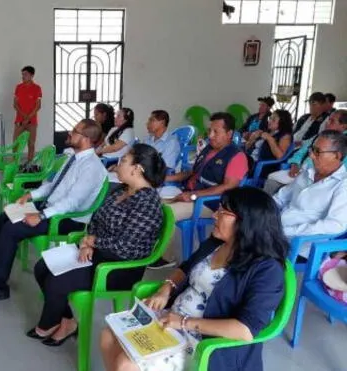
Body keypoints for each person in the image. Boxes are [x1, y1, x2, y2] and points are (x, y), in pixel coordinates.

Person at [101, 187, 289, 371]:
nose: (215, 215)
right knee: (108, 335)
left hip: (203, 341)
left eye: (223, 212)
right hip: (171, 320)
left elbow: (245, 330)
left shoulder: (266, 269)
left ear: (247, 223)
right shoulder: (216, 243)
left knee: (127, 365)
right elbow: (185, 269)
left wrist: (183, 322)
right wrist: (165, 290)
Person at [27, 144, 166, 346]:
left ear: (137, 169)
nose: (118, 165)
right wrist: (87, 243)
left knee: (57, 281)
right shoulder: (121, 189)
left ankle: (49, 324)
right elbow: (96, 219)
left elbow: (125, 247)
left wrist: (94, 242)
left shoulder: (148, 203)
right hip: (98, 253)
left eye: (124, 161)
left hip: (118, 268)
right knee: (42, 267)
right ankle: (67, 322)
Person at [0, 119, 107, 303]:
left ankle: (0, 287)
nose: (70, 133)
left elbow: (72, 203)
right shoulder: (72, 158)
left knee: (12, 229)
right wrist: (30, 196)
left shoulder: (92, 167)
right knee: (5, 216)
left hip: (67, 219)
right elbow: (51, 186)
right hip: (51, 208)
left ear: (87, 138)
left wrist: (40, 216)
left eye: (75, 131)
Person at [151, 112, 248, 269]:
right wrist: (168, 179)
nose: (211, 135)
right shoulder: (208, 149)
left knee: (166, 211)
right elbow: (193, 172)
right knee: (151, 202)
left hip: (210, 203)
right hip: (190, 193)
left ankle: (163, 258)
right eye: (210, 130)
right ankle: (149, 248)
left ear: (229, 133)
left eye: (216, 132)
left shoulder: (236, 156)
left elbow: (229, 186)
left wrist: (194, 195)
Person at [274, 130, 347, 259]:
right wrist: (260, 213)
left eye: (318, 152)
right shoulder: (308, 172)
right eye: (312, 150)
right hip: (275, 231)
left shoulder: (342, 185)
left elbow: (335, 225)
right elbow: (281, 196)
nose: (312, 156)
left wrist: (287, 231)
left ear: (337, 155)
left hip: (299, 246)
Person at [263, 110, 347, 195]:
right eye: (328, 119)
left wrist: (313, 175)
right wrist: (295, 164)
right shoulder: (320, 136)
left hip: (320, 179)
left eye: (332, 121)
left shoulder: (343, 144)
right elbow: (301, 151)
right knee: (272, 180)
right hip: (300, 172)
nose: (327, 123)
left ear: (343, 126)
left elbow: (340, 170)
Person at [244, 109, 293, 179]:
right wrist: (252, 139)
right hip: (251, 160)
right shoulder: (266, 131)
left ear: (282, 123)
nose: (269, 121)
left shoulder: (285, 136)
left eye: (273, 120)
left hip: (262, 165)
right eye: (270, 118)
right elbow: (247, 148)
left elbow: (280, 156)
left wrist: (270, 139)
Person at [13, 66, 42, 161]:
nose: (23, 76)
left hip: (32, 122)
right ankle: (15, 163)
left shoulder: (37, 88)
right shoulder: (18, 87)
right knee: (15, 144)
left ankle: (29, 164)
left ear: (32, 75)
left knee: (31, 144)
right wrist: (24, 116)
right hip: (19, 121)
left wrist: (28, 118)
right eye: (22, 74)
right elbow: (15, 104)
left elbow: (38, 106)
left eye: (25, 74)